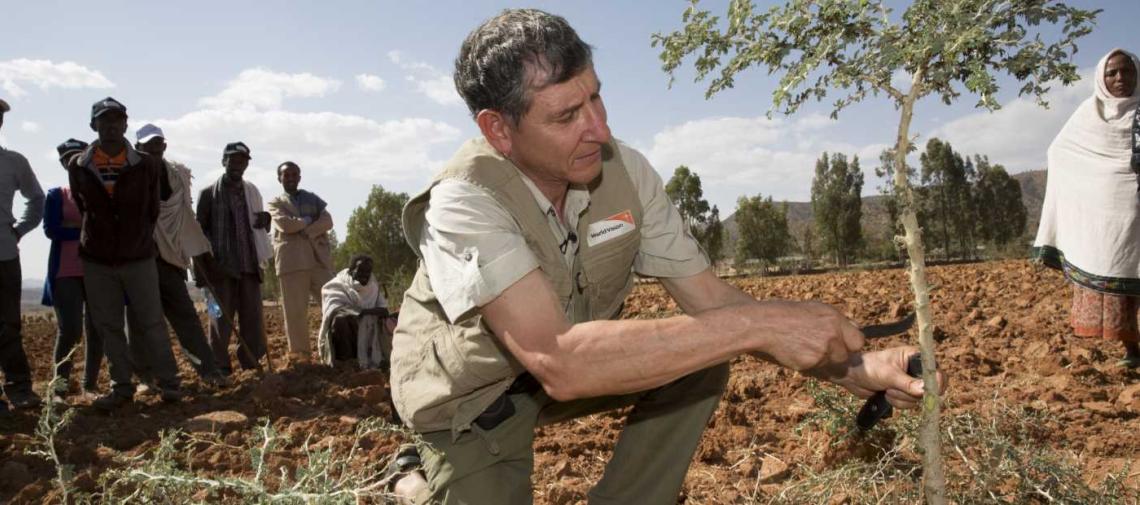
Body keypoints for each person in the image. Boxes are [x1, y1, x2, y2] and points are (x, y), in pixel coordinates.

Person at [387, 9, 943, 504]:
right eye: (565, 117)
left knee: (706, 348)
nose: (598, 130)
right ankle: (417, 478)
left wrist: (851, 367)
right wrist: (762, 322)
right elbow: (560, 360)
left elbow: (711, 300)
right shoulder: (464, 198)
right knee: (722, 332)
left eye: (595, 97)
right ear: (498, 130)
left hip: (575, 367)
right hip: (475, 406)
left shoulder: (624, 171)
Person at [67, 97, 183, 410]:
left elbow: (150, 210)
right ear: (94, 126)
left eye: (117, 120)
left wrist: (136, 239)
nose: (111, 126)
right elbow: (84, 206)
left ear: (126, 125)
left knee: (151, 322)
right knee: (109, 325)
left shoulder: (146, 165)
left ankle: (169, 384)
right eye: (104, 121)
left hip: (138, 256)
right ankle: (121, 387)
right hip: (97, 259)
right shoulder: (78, 166)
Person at [1034, 48, 1140, 368]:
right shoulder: (1088, 114)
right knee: (1117, 282)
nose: (1120, 78)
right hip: (1112, 218)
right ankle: (1133, 351)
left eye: (1126, 71)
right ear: (1101, 78)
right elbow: (1060, 152)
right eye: (1112, 73)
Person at [126, 124, 229, 389]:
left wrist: (197, 254)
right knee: (141, 322)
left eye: (158, 143)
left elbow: (185, 218)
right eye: (147, 145)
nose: (153, 148)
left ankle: (208, 371)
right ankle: (148, 377)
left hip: (170, 260)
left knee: (186, 318)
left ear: (164, 145)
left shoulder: (177, 176)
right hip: (139, 259)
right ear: (138, 148)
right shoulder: (129, 175)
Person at [195, 142, 272, 375]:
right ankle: (219, 366)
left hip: (249, 267)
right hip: (219, 270)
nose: (237, 165)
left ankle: (250, 363)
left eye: (242, 161)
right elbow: (199, 233)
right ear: (223, 162)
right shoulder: (208, 194)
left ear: (247, 164)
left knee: (252, 321)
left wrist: (266, 219)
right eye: (232, 160)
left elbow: (258, 226)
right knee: (219, 321)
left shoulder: (252, 192)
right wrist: (203, 272)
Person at [42, 138, 102, 399]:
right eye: (68, 159)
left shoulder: (100, 193)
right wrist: (86, 230)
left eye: (78, 157)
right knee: (71, 330)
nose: (73, 162)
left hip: (96, 269)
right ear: (63, 164)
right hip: (65, 270)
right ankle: (60, 388)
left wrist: (76, 230)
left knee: (97, 328)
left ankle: (90, 385)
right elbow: (51, 230)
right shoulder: (58, 195)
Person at [0, 97, 45, 411]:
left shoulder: (14, 162)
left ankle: (19, 389)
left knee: (9, 325)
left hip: (4, 254)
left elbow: (36, 199)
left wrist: (19, 230)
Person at [268, 161, 334, 366]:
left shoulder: (312, 198)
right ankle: (300, 357)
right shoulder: (276, 203)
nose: (290, 178)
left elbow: (327, 221)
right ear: (279, 178)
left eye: (294, 174)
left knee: (334, 304)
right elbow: (285, 224)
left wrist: (306, 229)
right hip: (292, 262)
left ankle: (335, 350)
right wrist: (306, 222)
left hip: (318, 261)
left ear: (299, 177)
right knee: (294, 312)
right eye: (286, 175)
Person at [317, 254, 393, 368]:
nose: (365, 275)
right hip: (347, 333)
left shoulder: (373, 286)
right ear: (351, 270)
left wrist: (364, 313)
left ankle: (378, 358)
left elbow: (384, 310)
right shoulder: (337, 284)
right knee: (340, 320)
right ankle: (346, 362)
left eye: (368, 271)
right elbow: (335, 309)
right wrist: (362, 313)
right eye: (361, 270)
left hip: (368, 333)